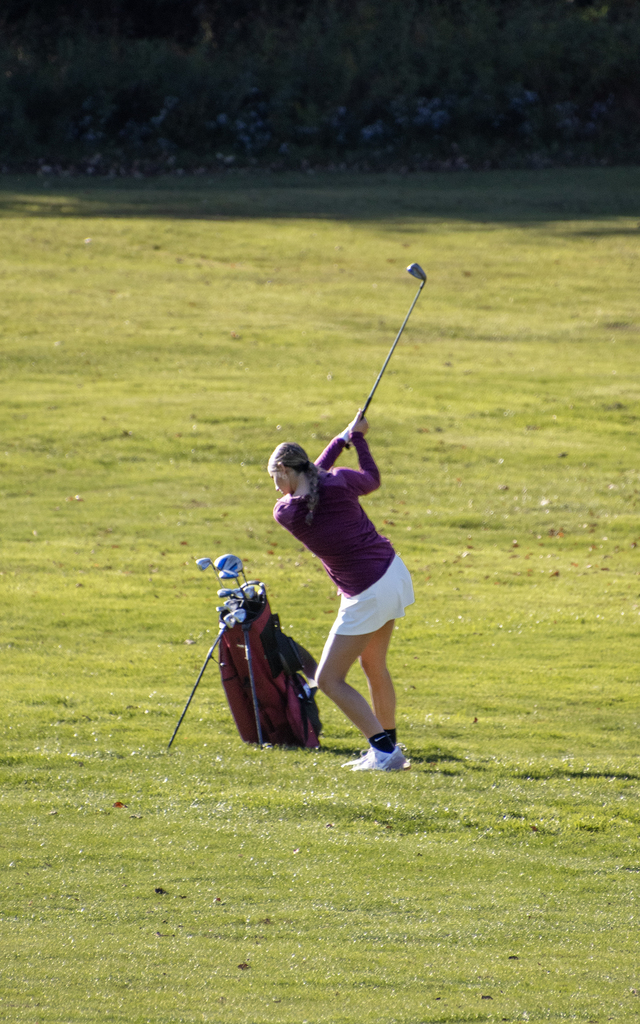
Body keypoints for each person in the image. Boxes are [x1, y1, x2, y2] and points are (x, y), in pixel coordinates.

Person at [267, 411, 414, 770]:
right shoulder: (340, 482)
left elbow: (313, 477)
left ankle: (383, 752)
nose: (274, 487)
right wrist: (354, 439)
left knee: (328, 679)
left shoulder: (285, 512)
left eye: (275, 477)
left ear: (285, 471)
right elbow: (370, 478)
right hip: (393, 574)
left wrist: (342, 440)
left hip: (367, 591)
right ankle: (388, 748)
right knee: (373, 663)